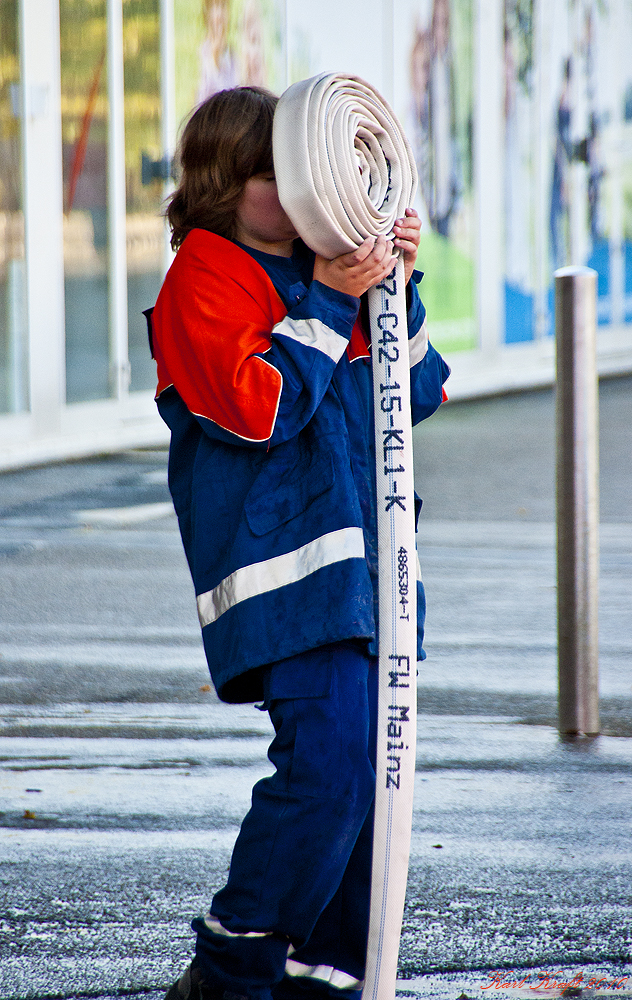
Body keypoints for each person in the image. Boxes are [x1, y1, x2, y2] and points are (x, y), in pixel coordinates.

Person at [149, 86, 450, 1000]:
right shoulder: (203, 274)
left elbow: (424, 387)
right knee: (327, 772)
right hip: (285, 579)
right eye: (271, 175)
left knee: (369, 786)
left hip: (366, 575)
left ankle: (321, 971)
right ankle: (231, 965)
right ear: (221, 183)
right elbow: (259, 408)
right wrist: (328, 297)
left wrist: (394, 280)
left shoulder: (332, 267)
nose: (298, 189)